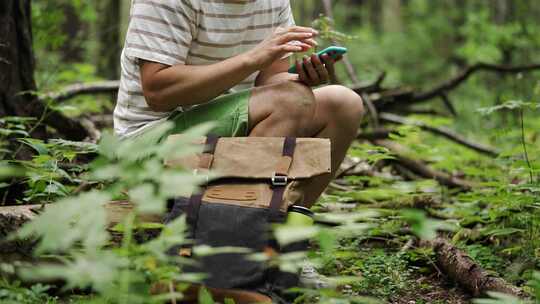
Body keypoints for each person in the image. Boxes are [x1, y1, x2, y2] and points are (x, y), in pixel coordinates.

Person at [114, 0, 364, 207]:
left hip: (229, 129)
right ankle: (232, 235)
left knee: (343, 104)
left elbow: (270, 81)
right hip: (151, 142)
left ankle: (278, 229)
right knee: (291, 99)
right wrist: (252, 59)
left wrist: (301, 78)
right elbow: (158, 93)